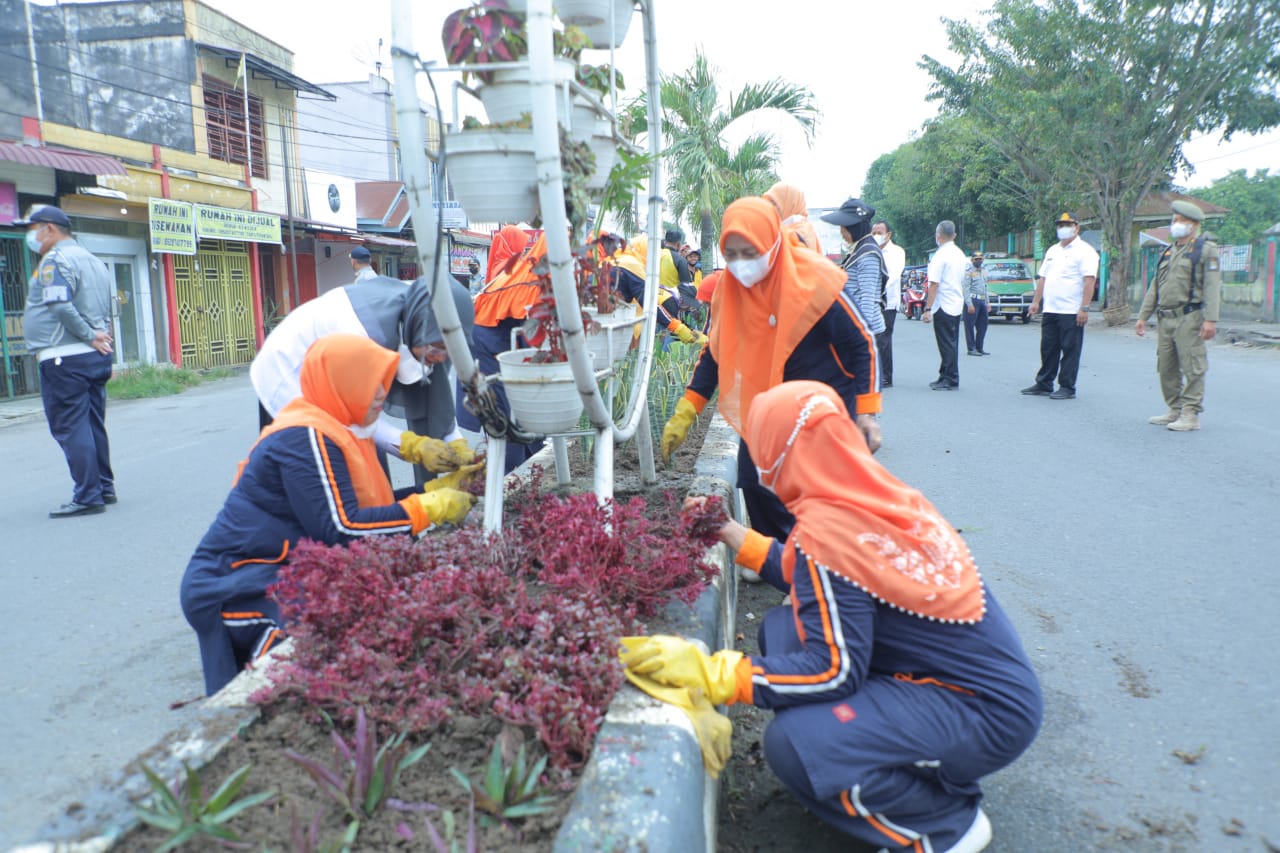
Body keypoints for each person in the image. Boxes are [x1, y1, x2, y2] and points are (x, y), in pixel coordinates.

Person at [623, 380, 1042, 853]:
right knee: (783, 631)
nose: (757, 465)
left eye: (760, 447)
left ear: (782, 455)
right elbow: (815, 572)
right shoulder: (867, 492)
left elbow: (833, 671)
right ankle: (907, 771)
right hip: (979, 692)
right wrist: (733, 534)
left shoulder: (830, 528)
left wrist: (720, 674)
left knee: (795, 744)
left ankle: (942, 825)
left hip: (982, 713)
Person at [181, 334, 477, 695]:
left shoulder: (343, 428)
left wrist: (431, 492)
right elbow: (341, 528)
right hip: (234, 582)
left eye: (383, 382)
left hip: (278, 570)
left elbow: (355, 513)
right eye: (370, 384)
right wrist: (429, 508)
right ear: (342, 384)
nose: (382, 394)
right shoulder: (305, 437)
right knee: (307, 639)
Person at [661, 197, 882, 541]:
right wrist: (688, 408)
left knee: (815, 490)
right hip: (768, 400)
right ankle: (778, 556)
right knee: (754, 479)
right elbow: (716, 353)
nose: (740, 264)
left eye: (750, 252)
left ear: (772, 242)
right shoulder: (729, 291)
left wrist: (866, 413)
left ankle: (820, 565)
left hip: (826, 401)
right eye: (730, 254)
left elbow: (862, 342)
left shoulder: (816, 280)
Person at [250, 272, 476, 483]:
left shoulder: (426, 316)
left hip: (342, 375)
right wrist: (412, 446)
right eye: (436, 349)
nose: (441, 357)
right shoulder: (364, 335)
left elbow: (435, 398)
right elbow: (356, 417)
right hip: (288, 374)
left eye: (450, 350)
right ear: (421, 329)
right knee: (331, 475)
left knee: (373, 474)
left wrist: (455, 442)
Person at [18, 205, 117, 517]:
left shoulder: (56, 260)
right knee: (91, 423)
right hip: (92, 356)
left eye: (32, 229)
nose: (30, 236)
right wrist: (100, 341)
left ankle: (88, 496)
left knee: (71, 426)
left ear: (49, 229)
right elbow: (108, 307)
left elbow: (60, 304)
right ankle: (103, 487)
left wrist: (88, 335)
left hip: (65, 356)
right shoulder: (93, 260)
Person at [1135, 200, 1222, 431]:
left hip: (1190, 317)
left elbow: (1213, 286)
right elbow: (1156, 285)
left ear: (1192, 225)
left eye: (1178, 221)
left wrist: (1211, 320)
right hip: (1166, 318)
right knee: (1166, 366)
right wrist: (1143, 316)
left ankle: (1190, 414)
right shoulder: (1168, 250)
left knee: (1193, 365)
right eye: (1173, 221)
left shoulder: (1205, 250)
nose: (1174, 225)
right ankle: (1174, 409)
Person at [1021, 212, 1098, 400]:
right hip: (1051, 309)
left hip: (1071, 310)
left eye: (1067, 224)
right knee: (1048, 348)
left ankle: (1067, 386)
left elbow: (1089, 281)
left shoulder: (1085, 251)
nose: (1063, 228)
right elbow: (1043, 278)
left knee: (1070, 349)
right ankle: (1044, 383)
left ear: (1076, 227)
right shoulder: (1053, 250)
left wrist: (1084, 308)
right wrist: (1036, 302)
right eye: (1060, 225)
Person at [614, 235, 707, 347]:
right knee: (663, 340)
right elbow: (654, 307)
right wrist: (685, 331)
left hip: (625, 316)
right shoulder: (633, 266)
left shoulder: (621, 258)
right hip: (636, 318)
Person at [821, 198, 887, 338]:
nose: (841, 233)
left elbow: (867, 299)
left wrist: (861, 334)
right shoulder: (859, 249)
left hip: (868, 331)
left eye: (843, 228)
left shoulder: (868, 254)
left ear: (853, 227)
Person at [923, 220, 967, 390]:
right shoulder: (959, 254)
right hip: (956, 302)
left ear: (938, 236)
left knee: (946, 343)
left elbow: (934, 284)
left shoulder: (940, 256)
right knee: (952, 342)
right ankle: (945, 375)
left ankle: (950, 378)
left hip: (943, 305)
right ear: (954, 235)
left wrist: (927, 309)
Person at [871, 221, 905, 388]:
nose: (876, 234)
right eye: (874, 231)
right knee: (873, 339)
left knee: (884, 339)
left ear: (888, 234)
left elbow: (894, 275)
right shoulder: (870, 249)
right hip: (872, 301)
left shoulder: (896, 252)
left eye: (880, 231)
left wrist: (879, 291)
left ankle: (886, 376)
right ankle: (875, 373)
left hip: (888, 301)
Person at [766, 182, 823, 254]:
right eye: (769, 202)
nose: (770, 207)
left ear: (790, 204)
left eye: (774, 203)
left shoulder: (799, 232)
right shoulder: (792, 226)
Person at [963, 251, 991, 356]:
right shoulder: (968, 272)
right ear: (972, 260)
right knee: (970, 326)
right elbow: (965, 288)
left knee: (983, 325)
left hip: (982, 301)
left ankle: (980, 347)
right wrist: (969, 304)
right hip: (972, 300)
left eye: (980, 259)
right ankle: (971, 348)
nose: (979, 261)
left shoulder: (983, 271)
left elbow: (985, 287)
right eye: (976, 259)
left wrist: (988, 302)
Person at [661, 228, 696, 304]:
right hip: (671, 301)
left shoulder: (654, 256)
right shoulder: (679, 259)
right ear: (678, 244)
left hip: (653, 301)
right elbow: (686, 286)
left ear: (665, 241)